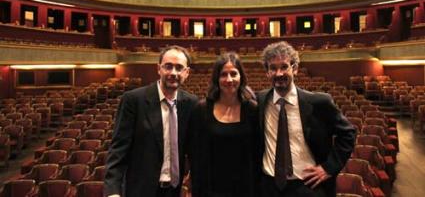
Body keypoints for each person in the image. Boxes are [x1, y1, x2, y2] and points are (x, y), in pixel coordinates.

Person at [257, 41, 356, 197]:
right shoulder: (259, 101)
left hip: (307, 186)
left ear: (294, 68)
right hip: (268, 187)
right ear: (267, 72)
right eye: (273, 68)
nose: (279, 73)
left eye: (284, 67)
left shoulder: (319, 102)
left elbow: (348, 133)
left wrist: (328, 168)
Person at [105, 45, 199, 197]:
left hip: (173, 190)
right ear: (158, 69)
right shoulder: (133, 100)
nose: (173, 73)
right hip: (140, 190)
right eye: (168, 66)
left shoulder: (191, 103)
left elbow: (195, 149)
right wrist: (113, 191)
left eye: (179, 68)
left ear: (186, 72)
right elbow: (118, 150)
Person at [188, 52, 260, 197]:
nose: (229, 79)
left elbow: (258, 151)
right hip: (210, 188)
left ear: (241, 77)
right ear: (216, 78)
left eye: (234, 74)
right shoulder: (202, 109)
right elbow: (195, 153)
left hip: (245, 188)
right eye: (223, 74)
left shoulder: (252, 109)